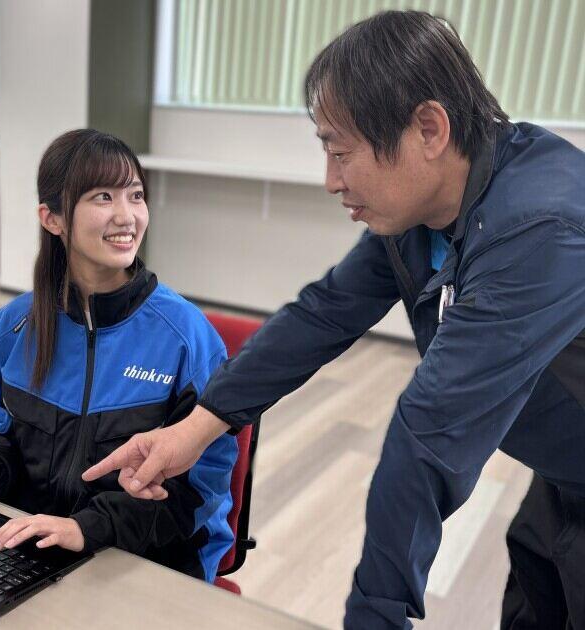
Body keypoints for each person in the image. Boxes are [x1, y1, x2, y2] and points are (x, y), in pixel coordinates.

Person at [83, 11, 585, 629]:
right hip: (563, 475)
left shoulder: (540, 228)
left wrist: (374, 617)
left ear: (428, 128)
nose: (330, 180)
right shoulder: (428, 211)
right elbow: (321, 316)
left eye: (341, 152)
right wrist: (194, 430)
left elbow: (429, 436)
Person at [0, 129, 238, 583]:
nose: (126, 216)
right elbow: (3, 441)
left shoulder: (186, 337)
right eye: (102, 197)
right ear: (52, 218)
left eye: (135, 195)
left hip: (148, 559)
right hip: (36, 546)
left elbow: (197, 492)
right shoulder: (13, 327)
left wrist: (86, 527)